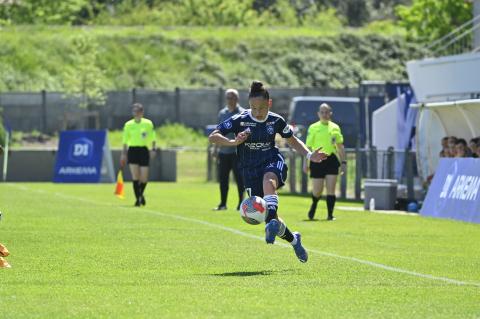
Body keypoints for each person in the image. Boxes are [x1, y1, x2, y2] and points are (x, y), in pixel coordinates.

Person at [209, 80, 327, 263]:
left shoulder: (276, 120)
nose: (257, 113)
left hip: (272, 161)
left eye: (261, 109)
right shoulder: (240, 120)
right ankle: (294, 239)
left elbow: (292, 140)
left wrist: (309, 154)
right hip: (249, 170)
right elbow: (213, 136)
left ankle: (271, 221)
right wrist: (234, 143)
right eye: (253, 109)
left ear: (269, 103)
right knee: (270, 218)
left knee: (269, 181)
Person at [304, 103, 346, 221]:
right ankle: (314, 204)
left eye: (327, 112)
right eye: (322, 112)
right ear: (318, 114)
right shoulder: (313, 127)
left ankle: (330, 215)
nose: (325, 114)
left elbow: (340, 146)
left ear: (330, 113)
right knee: (317, 190)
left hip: (331, 159)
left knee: (331, 188)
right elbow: (307, 147)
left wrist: (343, 163)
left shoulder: (335, 127)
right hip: (317, 160)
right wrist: (305, 163)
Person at [212, 89, 245, 211]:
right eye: (228, 98)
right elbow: (218, 132)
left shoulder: (242, 113)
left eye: (233, 98)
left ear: (237, 99)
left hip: (237, 152)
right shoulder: (222, 113)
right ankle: (223, 203)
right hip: (224, 152)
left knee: (239, 179)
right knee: (223, 179)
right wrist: (215, 148)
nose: (230, 100)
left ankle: (241, 204)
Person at [120, 103, 157, 207]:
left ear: (142, 112)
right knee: (135, 176)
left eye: (138, 112)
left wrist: (153, 149)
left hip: (144, 150)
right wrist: (123, 154)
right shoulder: (128, 124)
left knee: (144, 177)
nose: (136, 114)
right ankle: (138, 199)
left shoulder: (148, 123)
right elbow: (125, 140)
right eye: (134, 112)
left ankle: (140, 194)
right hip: (132, 150)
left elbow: (153, 137)